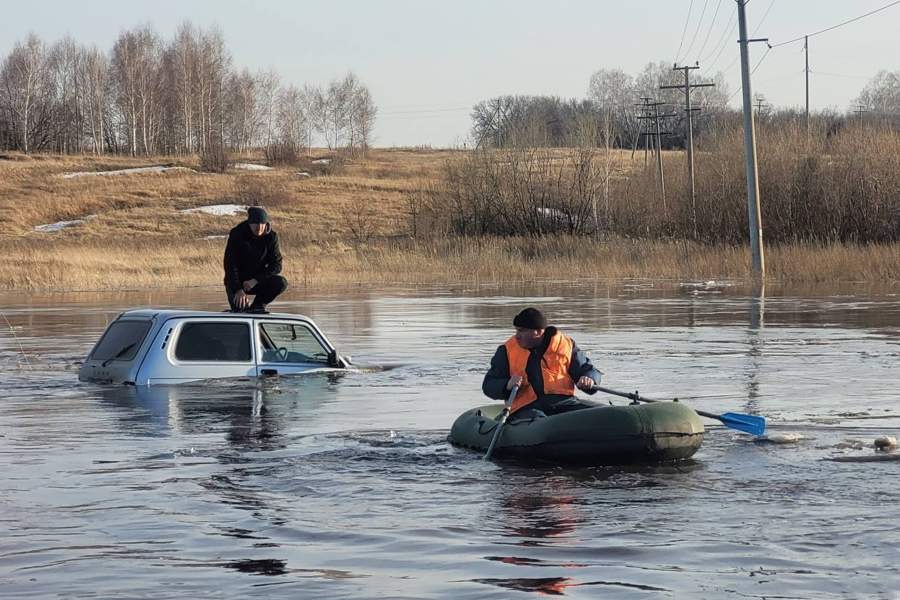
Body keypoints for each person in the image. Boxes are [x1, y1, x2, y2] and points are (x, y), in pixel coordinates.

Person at [482, 307, 601, 419]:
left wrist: (589, 378)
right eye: (517, 330)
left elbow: (586, 368)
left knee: (598, 414)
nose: (517, 336)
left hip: (564, 404)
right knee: (538, 418)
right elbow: (489, 385)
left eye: (522, 331)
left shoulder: (565, 345)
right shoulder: (506, 350)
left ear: (538, 332)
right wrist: (507, 385)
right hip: (526, 408)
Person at [223, 206, 287, 313]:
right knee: (240, 312)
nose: (259, 228)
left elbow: (276, 265)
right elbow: (230, 264)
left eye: (262, 224)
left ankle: (257, 306)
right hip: (237, 280)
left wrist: (256, 280)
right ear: (249, 224)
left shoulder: (271, 237)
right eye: (256, 224)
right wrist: (238, 289)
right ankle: (239, 308)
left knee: (281, 282)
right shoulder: (237, 234)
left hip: (257, 280)